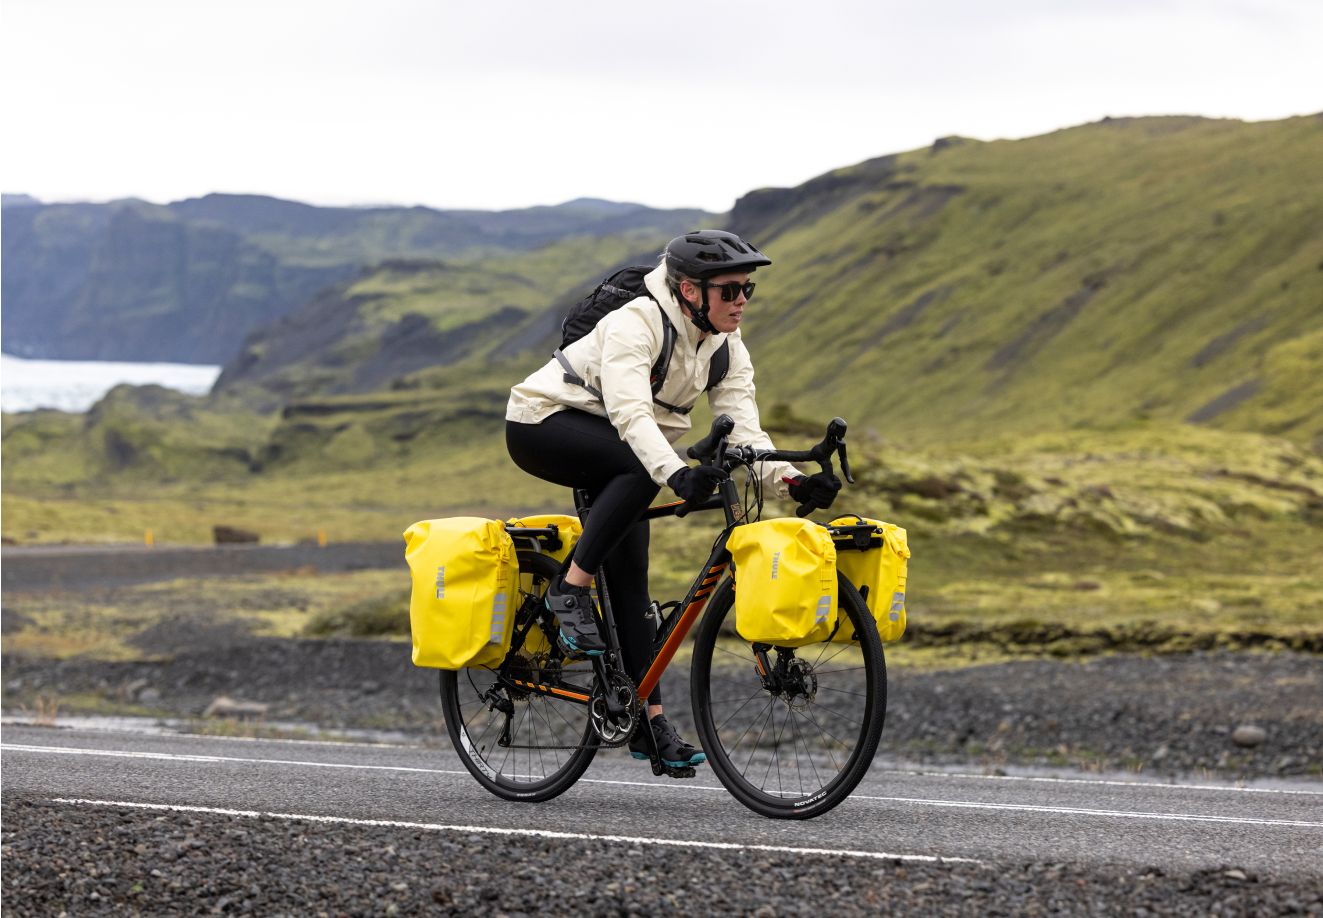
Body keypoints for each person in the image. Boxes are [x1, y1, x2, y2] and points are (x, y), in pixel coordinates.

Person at [505, 229, 842, 773]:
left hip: (626, 454)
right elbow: (631, 415)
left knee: (633, 587)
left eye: (746, 291)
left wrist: (791, 481)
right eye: (729, 290)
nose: (740, 302)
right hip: (544, 425)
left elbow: (745, 434)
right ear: (689, 289)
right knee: (639, 467)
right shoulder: (635, 323)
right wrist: (676, 474)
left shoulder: (725, 347)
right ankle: (568, 591)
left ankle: (647, 724)